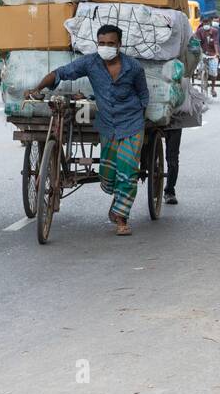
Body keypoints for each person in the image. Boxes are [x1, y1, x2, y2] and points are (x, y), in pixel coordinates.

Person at [29, 24, 149, 236]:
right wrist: (38, 88)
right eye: (102, 43)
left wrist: (138, 113)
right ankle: (117, 199)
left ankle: (121, 217)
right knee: (108, 174)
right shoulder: (91, 62)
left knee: (128, 168)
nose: (106, 47)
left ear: (119, 45)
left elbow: (143, 95)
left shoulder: (134, 67)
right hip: (107, 124)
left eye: (110, 44)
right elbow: (61, 73)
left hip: (132, 123)